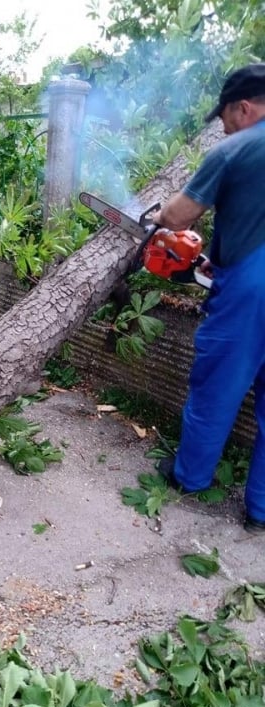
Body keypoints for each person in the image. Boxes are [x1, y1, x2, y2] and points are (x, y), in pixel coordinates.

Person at [152, 63, 265, 532]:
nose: (223, 126)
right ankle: (261, 510)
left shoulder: (237, 147)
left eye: (225, 117)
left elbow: (178, 217)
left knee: (216, 387)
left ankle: (190, 478)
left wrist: (158, 214)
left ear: (243, 107)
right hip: (244, 268)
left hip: (252, 292)